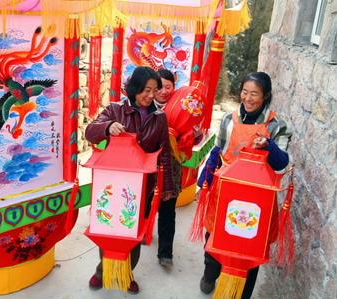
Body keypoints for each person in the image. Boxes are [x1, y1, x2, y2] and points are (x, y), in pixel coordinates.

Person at [197, 72, 292, 298]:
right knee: (213, 237)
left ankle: (241, 292)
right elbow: (219, 153)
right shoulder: (230, 119)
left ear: (266, 96)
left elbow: (281, 164)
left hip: (257, 198)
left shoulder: (277, 125)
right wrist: (205, 182)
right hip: (226, 189)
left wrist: (268, 145)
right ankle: (210, 274)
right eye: (245, 92)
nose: (248, 98)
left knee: (250, 247)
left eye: (255, 94)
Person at [85, 66, 174, 294]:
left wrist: (168, 187)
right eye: (146, 90)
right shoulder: (116, 109)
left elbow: (164, 153)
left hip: (142, 187)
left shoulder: (159, 117)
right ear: (134, 89)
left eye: (155, 90)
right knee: (108, 228)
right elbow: (90, 131)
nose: (150, 96)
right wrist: (107, 127)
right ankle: (102, 271)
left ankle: (126, 274)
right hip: (113, 184)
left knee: (132, 233)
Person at [153, 69, 182, 267]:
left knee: (167, 209)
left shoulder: (183, 107)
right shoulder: (144, 105)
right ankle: (143, 234)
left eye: (168, 86)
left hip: (171, 168)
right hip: (149, 166)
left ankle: (165, 253)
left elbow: (190, 139)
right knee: (144, 206)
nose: (164, 91)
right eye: (159, 87)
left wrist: (193, 133)